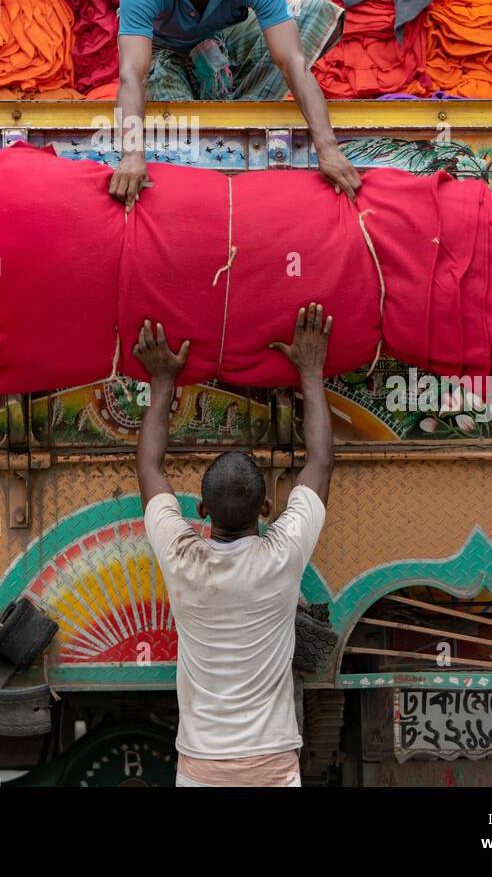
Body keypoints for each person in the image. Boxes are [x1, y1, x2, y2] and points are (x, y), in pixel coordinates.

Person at [134, 303, 334, 788]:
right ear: (267, 510)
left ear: (200, 513)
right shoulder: (282, 557)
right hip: (272, 762)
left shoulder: (183, 559)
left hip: (201, 764)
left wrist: (163, 381)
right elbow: (321, 462)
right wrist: (311, 369)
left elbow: (149, 469)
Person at [109, 0, 362, 206]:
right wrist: (131, 154)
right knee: (176, 117)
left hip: (227, 39)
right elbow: (133, 74)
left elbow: (292, 63)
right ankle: (215, 95)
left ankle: (241, 106)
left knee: (316, 14)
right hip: (166, 52)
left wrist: (329, 149)